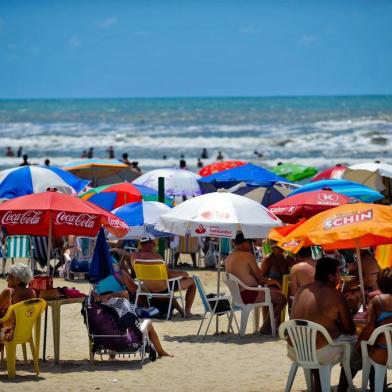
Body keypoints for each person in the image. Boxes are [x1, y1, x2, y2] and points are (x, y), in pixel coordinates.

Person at [290, 257, 360, 392]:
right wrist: (352, 308)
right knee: (357, 346)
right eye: (339, 273)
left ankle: (318, 385)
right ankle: (342, 388)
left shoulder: (302, 290)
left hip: (296, 349)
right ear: (330, 276)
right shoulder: (335, 294)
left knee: (322, 336)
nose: (340, 277)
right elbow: (350, 329)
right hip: (319, 352)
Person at [225, 232, 287, 334]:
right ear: (244, 243)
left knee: (272, 294)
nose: (251, 246)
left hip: (237, 296)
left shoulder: (229, 257)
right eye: (250, 243)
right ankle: (265, 327)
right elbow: (260, 279)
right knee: (281, 299)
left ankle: (268, 326)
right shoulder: (247, 255)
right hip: (249, 294)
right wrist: (274, 281)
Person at [91, 290, 173, 358]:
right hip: (127, 340)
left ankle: (112, 357)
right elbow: (125, 294)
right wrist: (111, 295)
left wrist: (94, 293)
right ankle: (161, 352)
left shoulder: (98, 309)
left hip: (105, 340)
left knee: (114, 328)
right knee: (148, 323)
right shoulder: (120, 303)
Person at [131, 237, 196, 317]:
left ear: (141, 245)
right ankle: (187, 311)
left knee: (168, 289)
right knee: (192, 281)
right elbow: (168, 275)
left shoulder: (134, 257)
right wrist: (181, 273)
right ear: (153, 244)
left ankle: (181, 311)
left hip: (147, 288)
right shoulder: (157, 257)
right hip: (163, 287)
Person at [358, 268, 392, 385]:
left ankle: (376, 386)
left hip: (383, 355)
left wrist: (358, 343)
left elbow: (368, 329)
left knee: (366, 346)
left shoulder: (378, 301)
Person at [0, 264, 36, 343]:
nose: (7, 279)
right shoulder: (32, 292)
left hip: (9, 333)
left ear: (18, 280)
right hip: (25, 331)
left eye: (9, 276)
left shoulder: (9, 291)